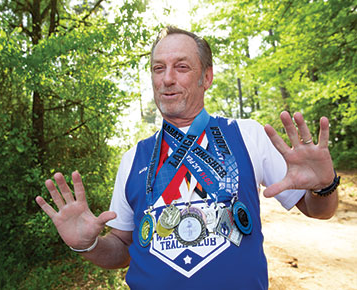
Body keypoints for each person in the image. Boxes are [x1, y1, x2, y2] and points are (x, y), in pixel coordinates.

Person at [35, 26, 339, 289]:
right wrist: (87, 245)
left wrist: (323, 186)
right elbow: (123, 249)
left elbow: (319, 210)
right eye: (158, 68)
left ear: (206, 77)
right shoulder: (133, 158)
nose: (167, 79)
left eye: (181, 67)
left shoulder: (248, 134)